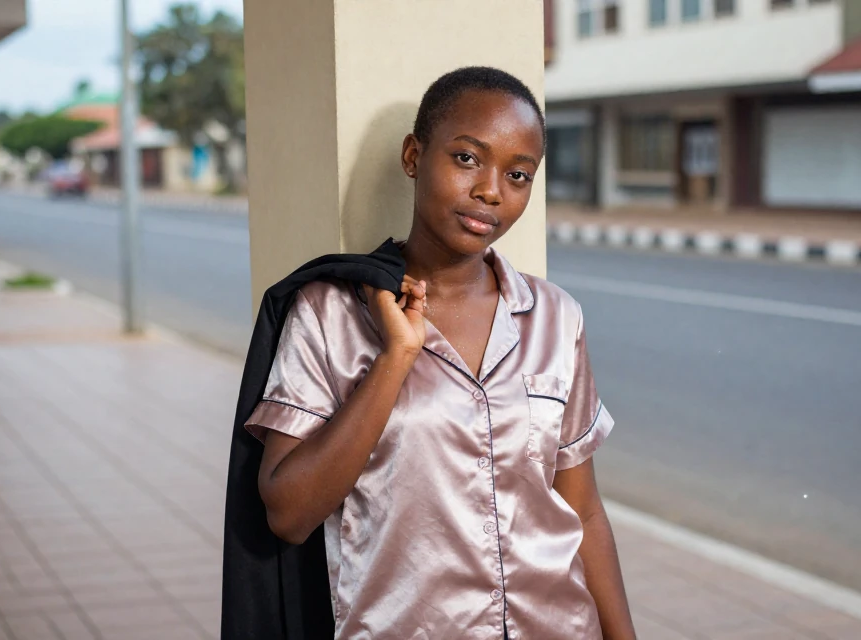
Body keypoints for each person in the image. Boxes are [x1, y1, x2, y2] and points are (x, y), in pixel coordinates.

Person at [246, 66, 637, 640]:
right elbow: (287, 514)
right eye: (467, 158)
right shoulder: (329, 312)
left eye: (519, 174)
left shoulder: (557, 317)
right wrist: (394, 361)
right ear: (413, 155)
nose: (491, 191)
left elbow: (583, 511)